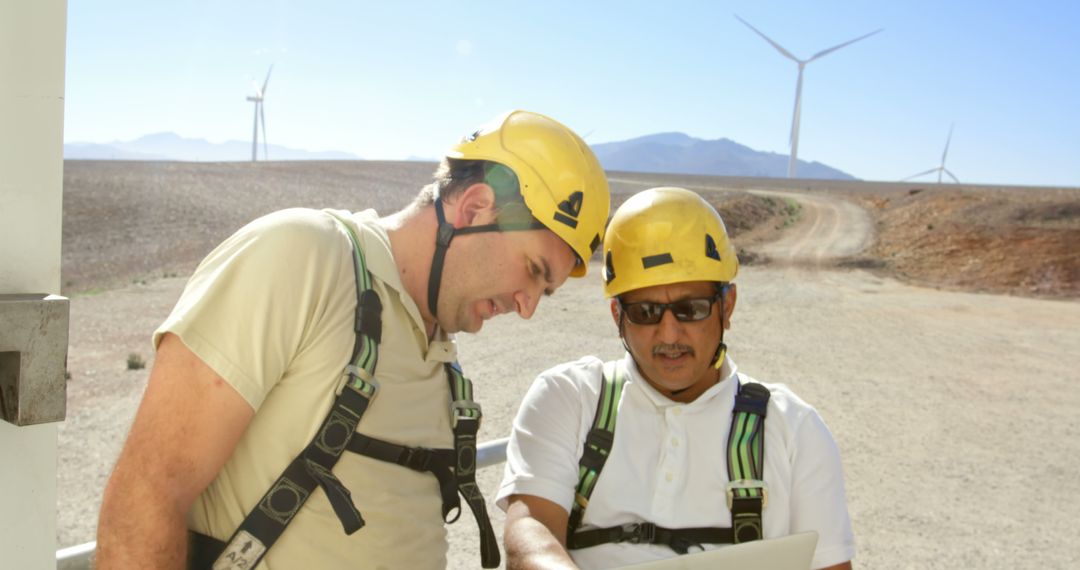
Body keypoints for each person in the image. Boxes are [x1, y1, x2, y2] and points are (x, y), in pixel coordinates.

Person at [96, 110, 610, 570]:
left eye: (545, 291)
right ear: (474, 207)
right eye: (533, 271)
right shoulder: (304, 256)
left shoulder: (441, 362)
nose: (527, 308)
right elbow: (147, 495)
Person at [497, 187, 854, 569]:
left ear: (727, 306)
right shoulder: (570, 397)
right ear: (617, 315)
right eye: (646, 311)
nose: (669, 335)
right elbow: (530, 532)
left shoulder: (794, 429)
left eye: (690, 309)